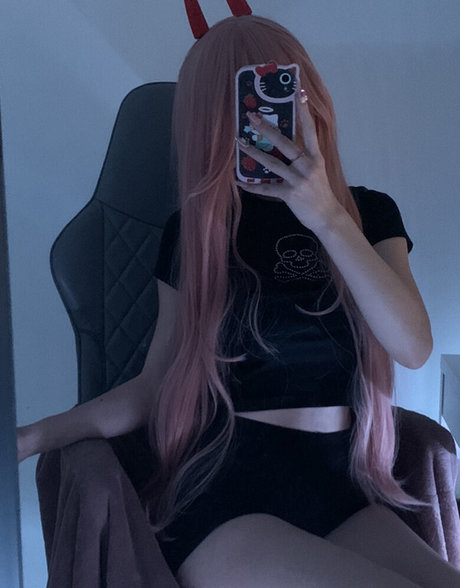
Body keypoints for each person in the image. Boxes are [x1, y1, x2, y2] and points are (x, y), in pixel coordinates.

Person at [17, 8, 460, 588]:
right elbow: (154, 386)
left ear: (308, 98)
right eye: (245, 104)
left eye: (280, 92)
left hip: (341, 487)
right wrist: (30, 437)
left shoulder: (367, 214)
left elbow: (412, 347)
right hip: (227, 491)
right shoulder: (197, 233)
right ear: (211, 120)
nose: (264, 118)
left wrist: (327, 217)